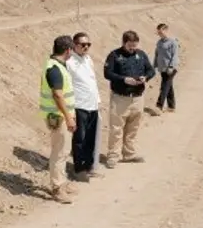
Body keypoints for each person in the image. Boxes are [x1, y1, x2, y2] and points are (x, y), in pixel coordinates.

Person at [103, 30, 155, 167]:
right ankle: (113, 156)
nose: (132, 48)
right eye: (130, 45)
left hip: (138, 98)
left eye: (135, 45)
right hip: (120, 98)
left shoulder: (141, 54)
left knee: (133, 128)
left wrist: (146, 77)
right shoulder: (114, 55)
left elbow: (151, 70)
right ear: (123, 42)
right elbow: (107, 73)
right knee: (116, 128)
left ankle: (129, 153)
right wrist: (124, 79)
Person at [38, 35, 77, 202]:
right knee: (59, 153)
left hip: (61, 115)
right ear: (68, 50)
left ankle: (62, 182)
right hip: (59, 117)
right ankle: (57, 188)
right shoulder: (54, 69)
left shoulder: (57, 65)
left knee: (63, 151)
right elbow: (58, 95)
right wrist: (68, 117)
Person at [66, 31, 101, 181]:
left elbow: (93, 80)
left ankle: (89, 166)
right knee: (79, 138)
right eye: (83, 44)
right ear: (75, 45)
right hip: (79, 105)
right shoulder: (69, 62)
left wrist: (98, 100)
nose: (86, 47)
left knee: (91, 138)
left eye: (88, 44)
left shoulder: (88, 59)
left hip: (92, 104)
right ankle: (79, 168)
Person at [153, 23, 179, 113]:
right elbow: (157, 54)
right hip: (162, 68)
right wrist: (154, 65)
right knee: (168, 86)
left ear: (166, 31)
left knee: (164, 86)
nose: (159, 34)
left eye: (161, 32)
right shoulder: (159, 42)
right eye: (158, 33)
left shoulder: (173, 42)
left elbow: (174, 56)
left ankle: (159, 106)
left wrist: (171, 66)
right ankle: (171, 107)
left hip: (171, 68)